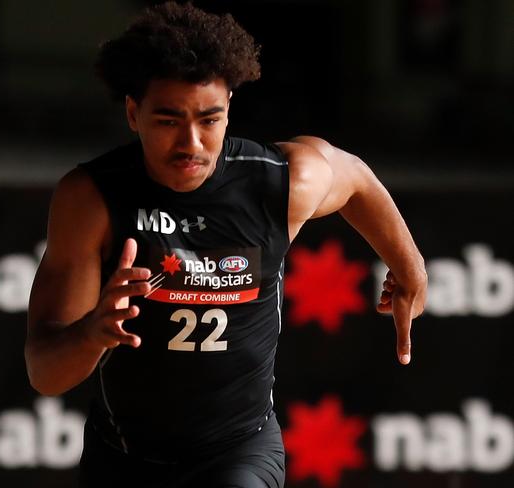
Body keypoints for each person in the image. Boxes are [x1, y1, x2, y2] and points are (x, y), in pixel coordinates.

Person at [25, 2, 427, 487]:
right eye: (168, 121)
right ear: (134, 113)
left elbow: (356, 178)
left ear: (230, 107)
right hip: (124, 455)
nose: (191, 143)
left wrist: (411, 271)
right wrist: (92, 332)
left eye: (209, 120)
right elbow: (45, 375)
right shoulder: (92, 199)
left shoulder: (279, 183)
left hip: (239, 450)